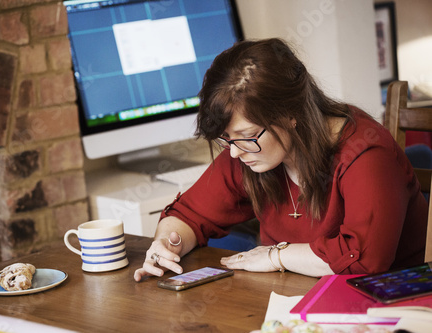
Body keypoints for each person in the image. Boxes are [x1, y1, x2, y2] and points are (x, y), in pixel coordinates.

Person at [133, 38, 428, 281]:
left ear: (291, 114)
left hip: (379, 302)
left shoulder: (366, 154)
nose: (233, 152)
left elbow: (363, 258)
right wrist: (167, 243)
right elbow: (189, 214)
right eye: (226, 139)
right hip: (286, 297)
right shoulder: (248, 148)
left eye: (245, 136)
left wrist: (275, 255)